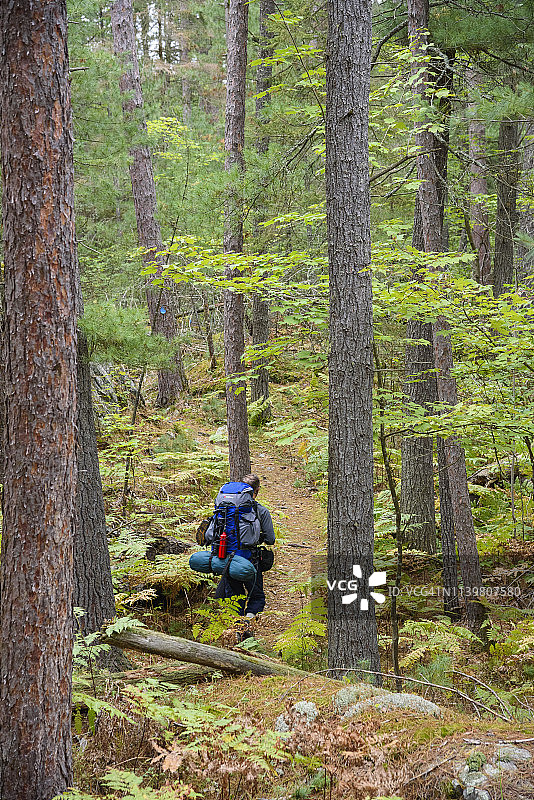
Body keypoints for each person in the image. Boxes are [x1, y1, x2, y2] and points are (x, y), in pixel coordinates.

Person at [214, 473, 275, 618]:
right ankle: (248, 621)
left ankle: (236, 627)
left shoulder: (223, 509)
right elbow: (270, 539)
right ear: (257, 490)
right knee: (257, 596)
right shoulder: (261, 510)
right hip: (249, 559)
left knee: (235, 596)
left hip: (226, 558)